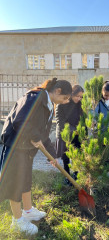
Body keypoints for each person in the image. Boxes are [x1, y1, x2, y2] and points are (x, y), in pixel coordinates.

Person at [0, 78, 72, 235]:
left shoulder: (48, 105)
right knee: (15, 184)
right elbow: (19, 120)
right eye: (65, 98)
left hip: (26, 148)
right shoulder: (34, 98)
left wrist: (52, 155)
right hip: (15, 146)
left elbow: (44, 136)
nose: (66, 102)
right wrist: (33, 135)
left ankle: (28, 211)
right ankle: (17, 221)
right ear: (58, 91)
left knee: (26, 180)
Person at [55, 85, 84, 186]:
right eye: (77, 96)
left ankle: (76, 175)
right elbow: (60, 122)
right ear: (72, 94)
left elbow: (83, 120)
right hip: (64, 134)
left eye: (81, 97)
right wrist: (74, 130)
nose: (79, 98)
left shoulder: (81, 104)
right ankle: (67, 176)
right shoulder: (62, 104)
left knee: (77, 156)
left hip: (77, 135)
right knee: (65, 156)